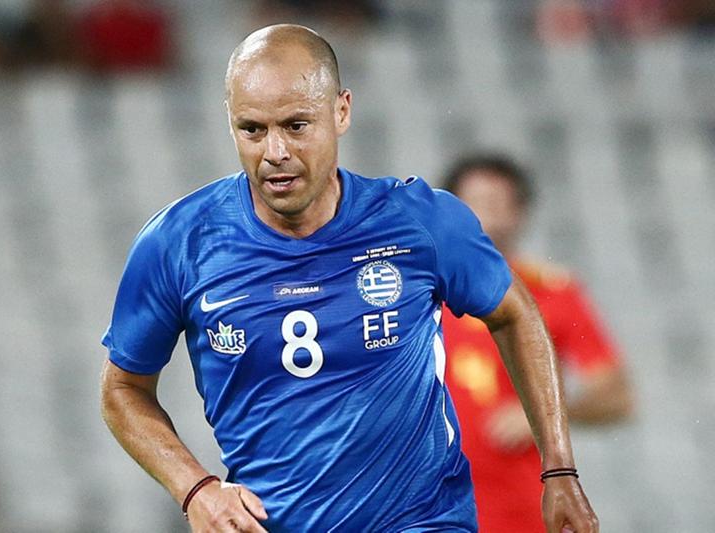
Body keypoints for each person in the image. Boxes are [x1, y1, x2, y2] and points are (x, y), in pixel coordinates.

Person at [100, 24, 599, 532]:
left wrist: (559, 468)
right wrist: (195, 488)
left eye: (296, 125)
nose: (275, 151)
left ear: (341, 111)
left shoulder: (420, 222)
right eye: (252, 130)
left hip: (421, 520)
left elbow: (514, 313)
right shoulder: (179, 243)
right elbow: (123, 388)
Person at [441, 154, 634, 533]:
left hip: (522, 510)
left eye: (498, 203)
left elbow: (616, 395)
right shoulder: (420, 291)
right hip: (430, 508)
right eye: (474, 202)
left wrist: (546, 413)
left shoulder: (553, 293)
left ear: (520, 214)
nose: (486, 216)